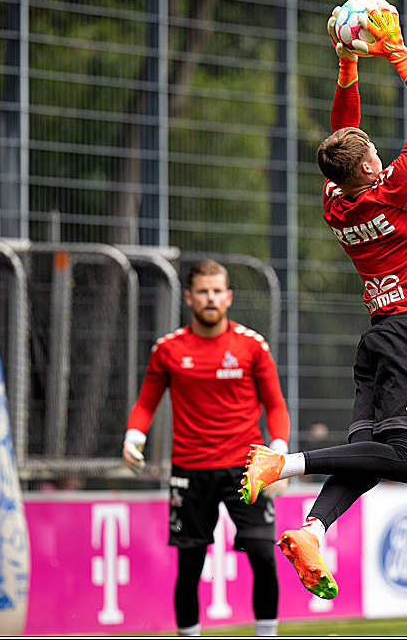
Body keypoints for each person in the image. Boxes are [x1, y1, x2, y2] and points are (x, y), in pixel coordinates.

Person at [236, 3, 407, 601]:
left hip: (379, 333)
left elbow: (341, 138)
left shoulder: (337, 200)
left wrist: (347, 66)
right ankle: (285, 465)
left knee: (366, 456)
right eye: (374, 151)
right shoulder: (397, 191)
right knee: (406, 458)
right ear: (370, 165)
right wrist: (397, 55)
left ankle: (310, 528)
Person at [121, 259, 289, 637]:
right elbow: (146, 403)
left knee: (263, 556)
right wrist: (134, 436)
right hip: (190, 471)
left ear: (228, 297)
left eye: (217, 291)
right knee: (190, 564)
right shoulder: (168, 350)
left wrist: (278, 453)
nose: (210, 298)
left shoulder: (251, 346)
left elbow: (275, 405)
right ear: (189, 297)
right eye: (203, 291)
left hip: (248, 468)